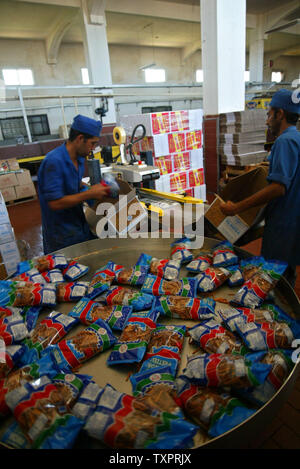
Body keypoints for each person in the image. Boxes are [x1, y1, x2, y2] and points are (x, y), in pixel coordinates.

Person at [220, 88, 300, 287]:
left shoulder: (285, 141)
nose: (266, 121)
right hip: (291, 224)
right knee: (285, 278)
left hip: (283, 225)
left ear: (279, 114)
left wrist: (237, 208)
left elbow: (278, 188)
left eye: (269, 114)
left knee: (272, 284)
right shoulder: (296, 138)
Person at [38, 114, 110, 254]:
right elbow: (54, 203)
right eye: (92, 143)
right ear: (80, 139)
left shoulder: (79, 158)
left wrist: (93, 193)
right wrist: (89, 193)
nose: (93, 148)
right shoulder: (54, 162)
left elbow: (75, 184)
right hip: (61, 235)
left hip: (78, 227)